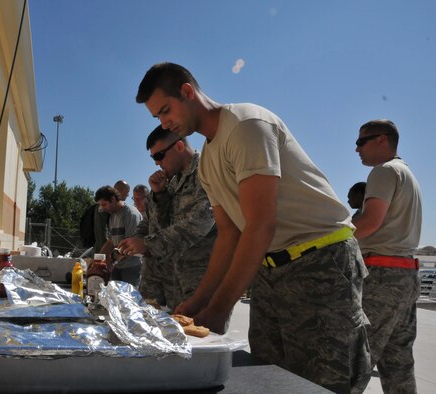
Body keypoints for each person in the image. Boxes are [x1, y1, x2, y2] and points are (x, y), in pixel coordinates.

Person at [136, 62, 371, 393]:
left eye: (165, 110)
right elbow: (229, 235)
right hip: (271, 269)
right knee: (271, 380)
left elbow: (261, 225)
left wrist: (219, 308)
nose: (164, 123)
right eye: (157, 118)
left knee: (323, 384)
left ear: (187, 92)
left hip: (322, 263)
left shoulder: (246, 126)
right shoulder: (209, 160)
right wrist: (198, 301)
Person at [352, 120, 422, 393]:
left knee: (355, 358)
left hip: (382, 276)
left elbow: (369, 223)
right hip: (405, 275)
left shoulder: (384, 171)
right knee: (399, 362)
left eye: (361, 142)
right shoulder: (407, 174)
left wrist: (331, 235)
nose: (356, 149)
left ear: (382, 140)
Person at [118, 126, 216, 310]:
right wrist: (159, 194)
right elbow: (153, 222)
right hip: (167, 280)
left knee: (200, 336)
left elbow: (198, 223)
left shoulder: (207, 171)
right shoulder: (170, 179)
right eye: (153, 158)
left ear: (179, 147)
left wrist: (147, 244)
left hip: (198, 280)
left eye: (159, 156)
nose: (157, 163)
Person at [95, 186, 143, 286]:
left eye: (104, 204)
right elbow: (111, 242)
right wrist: (98, 261)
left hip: (131, 267)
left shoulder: (130, 214)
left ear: (113, 199)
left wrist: (111, 262)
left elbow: (129, 246)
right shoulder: (113, 216)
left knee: (128, 299)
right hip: (118, 266)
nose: (103, 208)